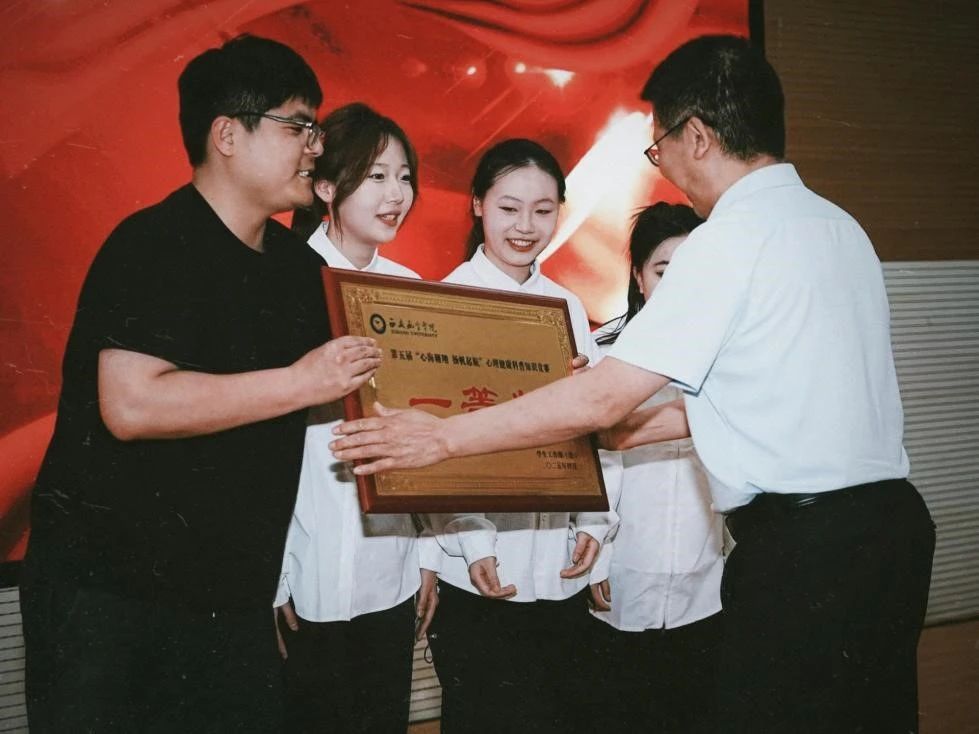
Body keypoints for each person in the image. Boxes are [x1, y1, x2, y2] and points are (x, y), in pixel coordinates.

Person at [332, 35, 936, 734]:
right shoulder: (839, 227)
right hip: (889, 534)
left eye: (659, 148)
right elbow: (774, 404)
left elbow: (601, 396)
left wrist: (441, 438)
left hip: (804, 552)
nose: (666, 169)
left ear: (697, 136)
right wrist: (626, 430)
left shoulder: (729, 238)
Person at [19, 36, 383, 733]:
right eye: (299, 126)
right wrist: (300, 381)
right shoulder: (151, 244)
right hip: (109, 603)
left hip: (230, 602)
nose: (316, 147)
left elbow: (344, 394)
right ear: (227, 135)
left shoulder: (299, 269)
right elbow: (131, 403)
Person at [420, 138, 621, 733]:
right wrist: (474, 544)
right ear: (477, 204)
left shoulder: (567, 307)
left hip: (557, 571)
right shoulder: (444, 301)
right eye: (509, 208)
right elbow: (435, 444)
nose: (526, 226)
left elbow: (596, 430)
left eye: (543, 209)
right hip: (478, 573)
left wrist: (594, 526)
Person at [273, 102, 432, 734]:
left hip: (390, 569)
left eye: (404, 177)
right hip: (303, 568)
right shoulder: (287, 280)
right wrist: (271, 578)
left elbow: (425, 434)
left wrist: (427, 556)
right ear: (325, 187)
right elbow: (262, 447)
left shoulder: (411, 288)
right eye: (376, 176)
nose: (397, 194)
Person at [586, 202, 724, 733]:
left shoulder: (727, 357)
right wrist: (597, 557)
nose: (678, 285)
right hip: (622, 575)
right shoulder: (603, 355)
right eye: (665, 271)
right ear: (640, 278)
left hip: (705, 584)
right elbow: (593, 466)